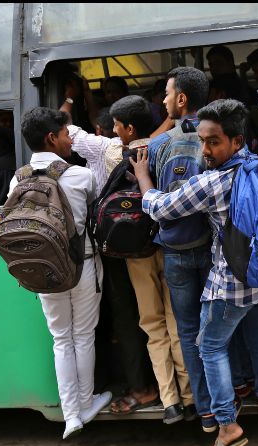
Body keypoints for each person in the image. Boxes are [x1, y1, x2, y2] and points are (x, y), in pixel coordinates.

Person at [133, 99, 258, 446]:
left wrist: (143, 178)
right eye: (202, 140)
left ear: (236, 141)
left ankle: (227, 425)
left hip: (228, 283)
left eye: (213, 142)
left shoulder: (213, 182)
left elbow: (161, 209)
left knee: (209, 346)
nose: (204, 149)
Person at [60, 95, 168, 418]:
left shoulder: (105, 149)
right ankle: (176, 390)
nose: (114, 131)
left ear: (126, 128)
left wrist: (69, 97)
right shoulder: (165, 146)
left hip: (117, 248)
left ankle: (141, 387)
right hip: (162, 243)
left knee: (128, 317)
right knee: (168, 316)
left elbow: (68, 129)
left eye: (117, 127)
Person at [8, 107, 112, 439]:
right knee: (83, 336)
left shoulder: (18, 178)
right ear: (52, 138)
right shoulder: (81, 176)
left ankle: (71, 416)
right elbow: (94, 212)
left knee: (60, 339)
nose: (70, 139)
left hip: (43, 270)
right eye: (67, 133)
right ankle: (86, 403)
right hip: (81, 265)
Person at [146, 66, 216, 429]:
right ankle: (228, 404)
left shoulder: (158, 145)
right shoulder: (217, 136)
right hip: (211, 247)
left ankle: (205, 412)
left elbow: (155, 195)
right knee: (217, 328)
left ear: (182, 99)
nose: (164, 100)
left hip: (174, 251)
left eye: (167, 94)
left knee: (188, 330)